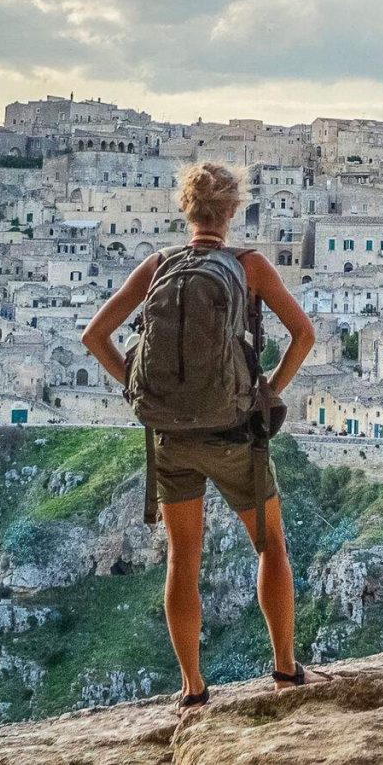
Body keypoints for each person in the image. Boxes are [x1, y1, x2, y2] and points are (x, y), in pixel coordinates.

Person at [81, 161, 316, 702]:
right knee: (270, 545)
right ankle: (284, 669)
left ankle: (192, 689)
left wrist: (138, 391)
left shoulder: (158, 265)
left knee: (182, 559)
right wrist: (268, 391)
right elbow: (303, 335)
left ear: (185, 209)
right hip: (234, 433)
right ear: (233, 211)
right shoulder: (250, 265)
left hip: (170, 438)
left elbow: (95, 336)